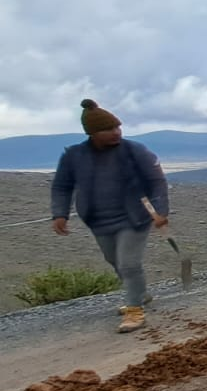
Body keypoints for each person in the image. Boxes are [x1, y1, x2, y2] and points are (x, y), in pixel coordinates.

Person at [50, 99, 170, 333]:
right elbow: (62, 186)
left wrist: (160, 211)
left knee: (129, 264)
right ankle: (139, 293)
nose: (116, 132)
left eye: (117, 127)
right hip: (98, 220)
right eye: (108, 129)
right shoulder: (74, 156)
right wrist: (59, 213)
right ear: (93, 133)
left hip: (135, 217)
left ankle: (135, 311)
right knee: (115, 261)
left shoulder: (134, 151)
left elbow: (157, 181)